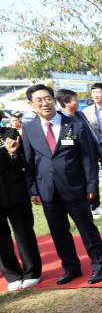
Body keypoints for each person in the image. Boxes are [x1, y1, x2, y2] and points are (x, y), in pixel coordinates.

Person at [22, 84, 102, 285]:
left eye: (48, 98)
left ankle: (99, 266)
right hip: (48, 191)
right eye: (39, 100)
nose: (45, 103)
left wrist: (91, 185)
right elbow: (30, 160)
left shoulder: (75, 124)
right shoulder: (29, 128)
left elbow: (87, 157)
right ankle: (71, 268)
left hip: (76, 187)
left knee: (87, 229)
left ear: (54, 100)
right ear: (31, 104)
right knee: (59, 233)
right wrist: (33, 189)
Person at [0, 125, 42, 291]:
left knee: (24, 233)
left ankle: (32, 272)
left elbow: (24, 162)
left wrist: (12, 154)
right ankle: (12, 274)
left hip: (16, 192)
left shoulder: (10, 133)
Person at [56, 88, 102, 218]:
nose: (77, 102)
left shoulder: (80, 114)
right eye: (75, 99)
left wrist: (97, 150)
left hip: (90, 153)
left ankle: (95, 205)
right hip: (76, 158)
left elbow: (90, 133)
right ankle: (88, 207)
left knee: (92, 179)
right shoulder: (60, 119)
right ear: (66, 102)